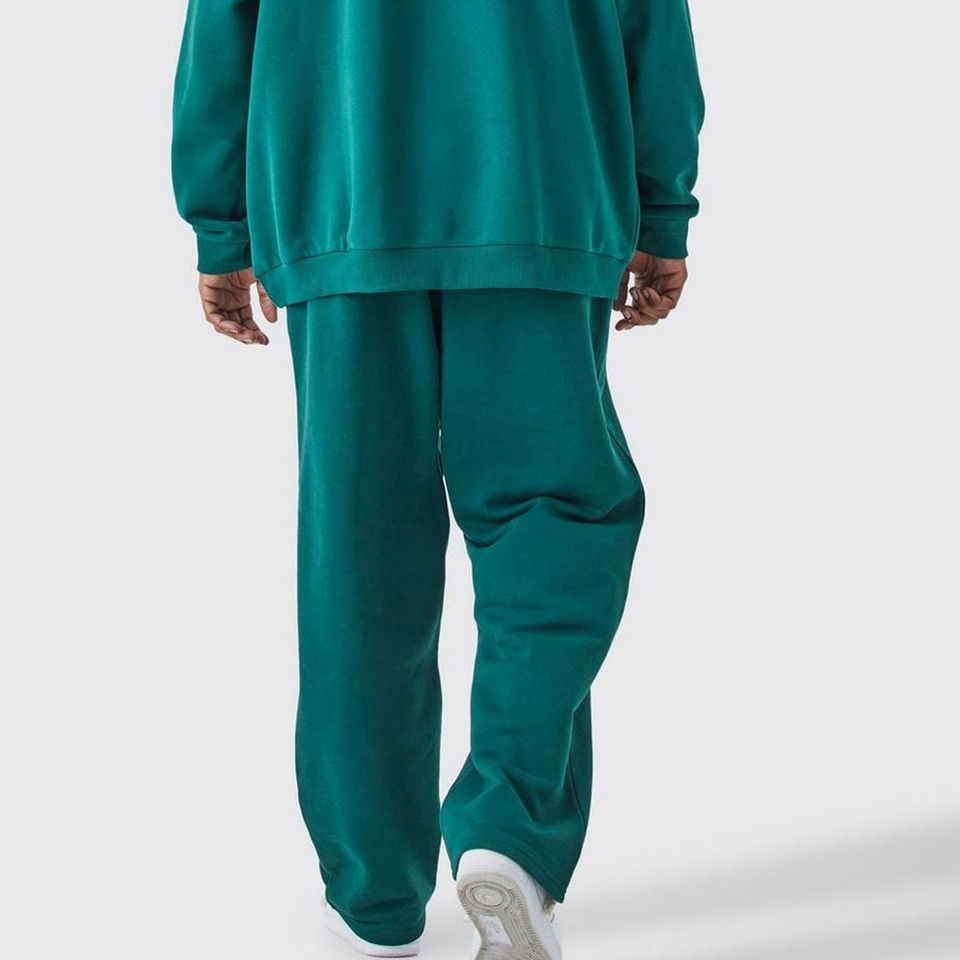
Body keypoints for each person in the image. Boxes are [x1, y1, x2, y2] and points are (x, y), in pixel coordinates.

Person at [172, 1, 703, 957]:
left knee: (360, 550)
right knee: (555, 522)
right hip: (541, 185)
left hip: (340, 195)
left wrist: (222, 225)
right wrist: (661, 204)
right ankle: (508, 831)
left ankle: (374, 895)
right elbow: (650, 17)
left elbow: (223, 24)